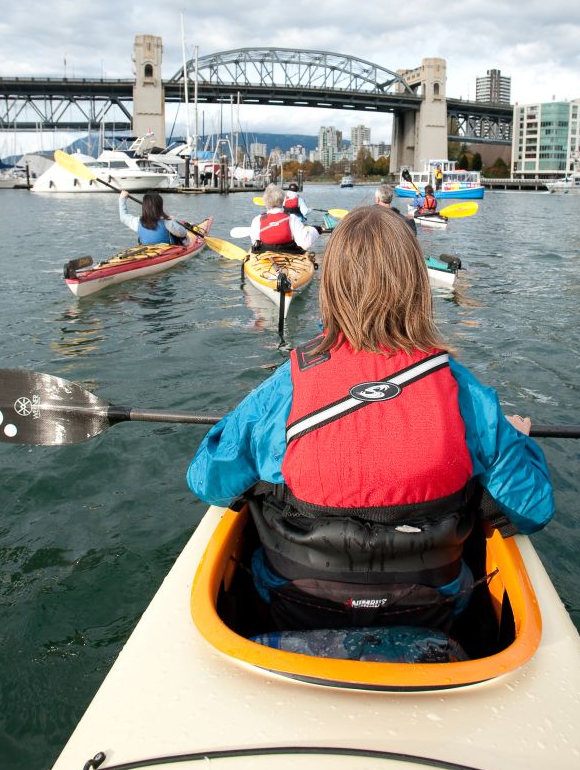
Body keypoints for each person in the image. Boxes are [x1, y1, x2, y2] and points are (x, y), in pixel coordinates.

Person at [187, 206, 554, 633]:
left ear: (332, 288)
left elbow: (208, 481)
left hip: (293, 608)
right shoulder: (467, 397)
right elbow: (533, 510)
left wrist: (241, 432)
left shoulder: (285, 388)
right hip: (433, 613)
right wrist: (518, 443)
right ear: (417, 286)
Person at [249, 183, 319, 253]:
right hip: (289, 252)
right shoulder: (293, 218)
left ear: (265, 201)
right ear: (282, 200)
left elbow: (254, 241)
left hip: (265, 253)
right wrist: (315, 230)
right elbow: (305, 244)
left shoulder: (257, 220)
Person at [118, 189, 188, 245]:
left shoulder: (138, 222)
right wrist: (172, 221)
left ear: (144, 207)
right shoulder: (168, 223)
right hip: (167, 253)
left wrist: (122, 199)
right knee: (182, 238)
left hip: (147, 251)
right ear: (160, 206)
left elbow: (123, 217)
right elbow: (183, 233)